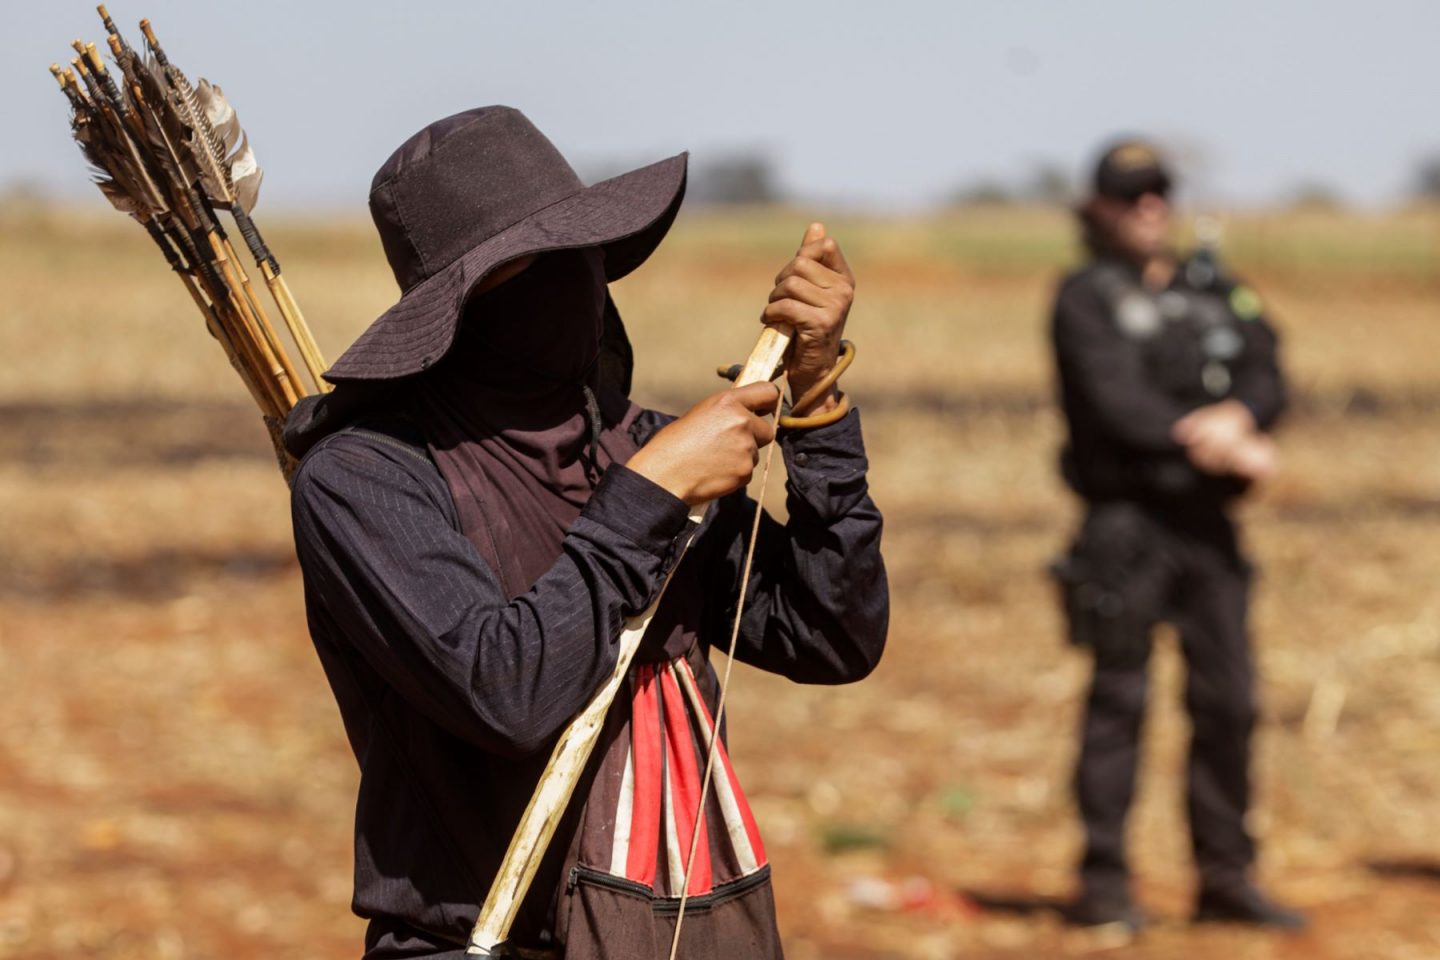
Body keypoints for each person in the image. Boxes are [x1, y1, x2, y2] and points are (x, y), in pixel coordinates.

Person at [283, 106, 888, 960]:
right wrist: (648, 500)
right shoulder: (366, 477)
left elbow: (833, 636)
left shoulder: (633, 443)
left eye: (582, 256)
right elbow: (507, 692)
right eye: (530, 267)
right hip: (478, 941)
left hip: (671, 926)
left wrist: (817, 408)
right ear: (458, 309)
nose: (570, 287)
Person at [1049, 139, 1303, 931]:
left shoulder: (1216, 289)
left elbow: (1268, 370)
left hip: (1208, 530)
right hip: (1126, 524)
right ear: (1100, 209)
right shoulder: (1084, 296)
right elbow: (1113, 402)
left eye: (1158, 193)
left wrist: (1244, 416)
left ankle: (1225, 876)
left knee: (1230, 701)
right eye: (1131, 197)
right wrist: (1217, 438)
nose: (1149, 208)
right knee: (1120, 701)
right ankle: (1105, 884)